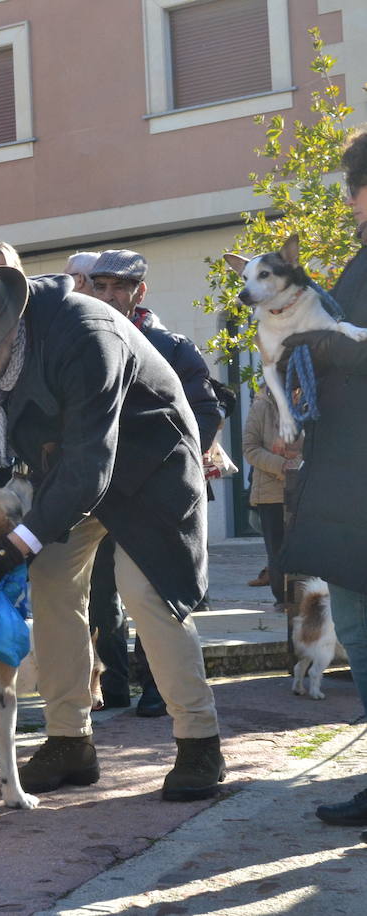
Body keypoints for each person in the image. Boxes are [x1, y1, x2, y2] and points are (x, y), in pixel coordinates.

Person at [0, 259, 224, 802]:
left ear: (7, 326)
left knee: (146, 593)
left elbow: (92, 466)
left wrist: (13, 547)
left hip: (148, 469)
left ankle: (199, 741)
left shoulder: (86, 334)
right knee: (53, 586)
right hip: (66, 474)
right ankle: (69, 740)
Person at [274, 128, 367, 833]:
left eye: (352, 188)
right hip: (348, 474)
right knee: (359, 634)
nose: (349, 201)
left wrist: (326, 348)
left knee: (364, 633)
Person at [86, 248, 222, 715]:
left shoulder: (174, 346)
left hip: (158, 493)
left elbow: (206, 411)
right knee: (101, 598)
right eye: (99, 286)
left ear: (139, 291)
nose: (108, 295)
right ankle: (112, 685)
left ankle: (156, 688)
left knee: (155, 590)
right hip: (101, 492)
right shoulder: (84, 341)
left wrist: (169, 466)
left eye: (119, 286)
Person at [241, 387, 297, 609]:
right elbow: (250, 448)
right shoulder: (262, 405)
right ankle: (283, 600)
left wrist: (298, 460)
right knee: (277, 550)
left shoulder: (313, 399)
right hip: (271, 494)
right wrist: (282, 465)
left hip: (304, 488)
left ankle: (303, 601)